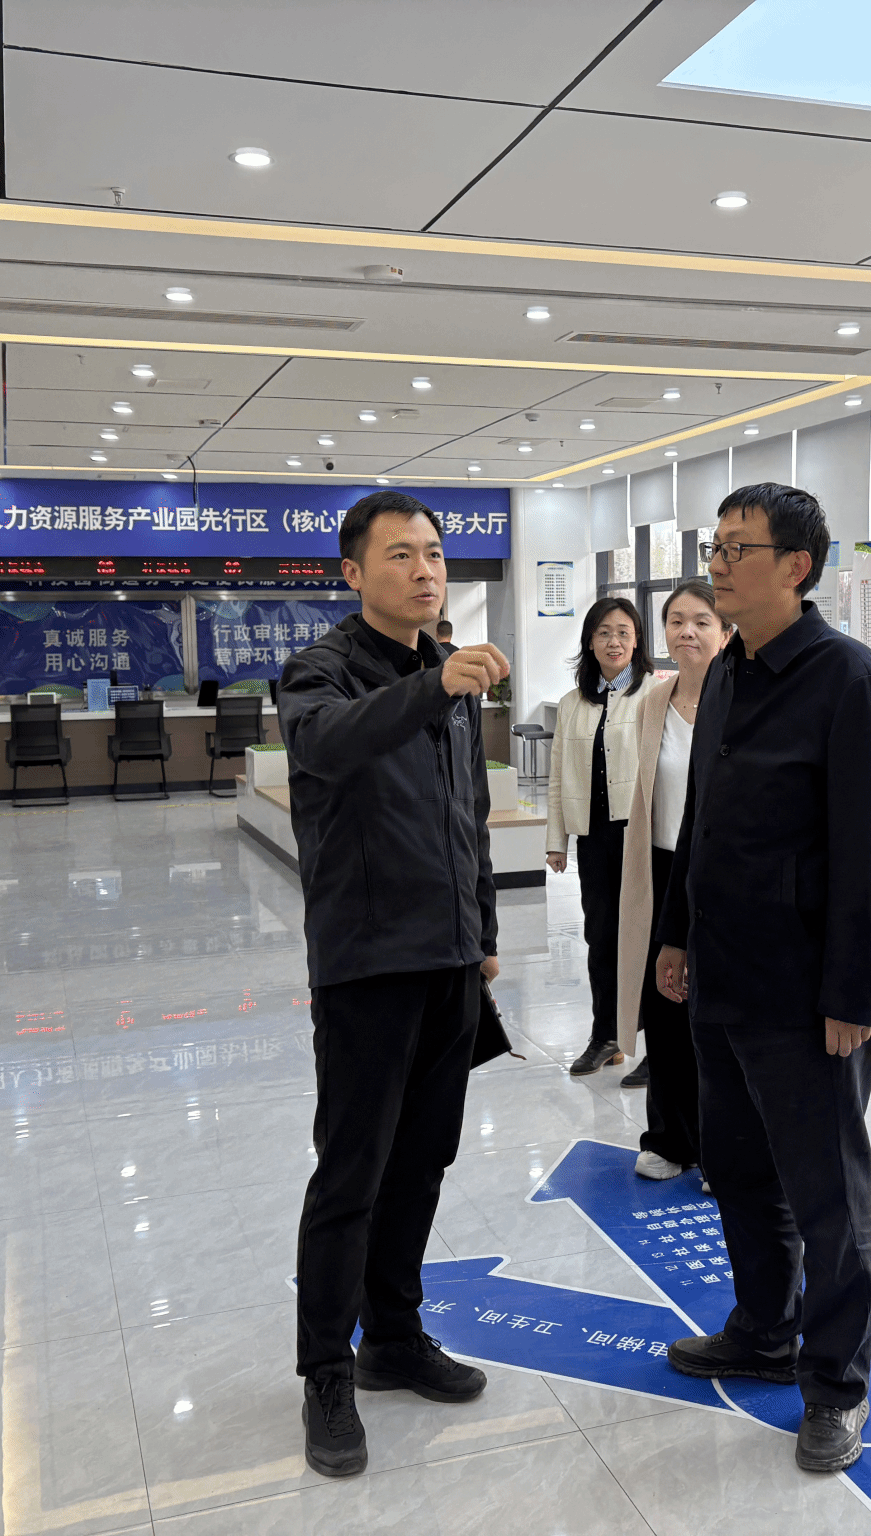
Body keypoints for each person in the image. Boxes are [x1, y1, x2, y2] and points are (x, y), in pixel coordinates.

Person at [655, 483, 871, 1475]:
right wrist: (675, 936)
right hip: (723, 977)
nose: (717, 565)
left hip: (806, 998)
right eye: (714, 548)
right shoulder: (728, 668)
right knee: (740, 1172)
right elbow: (701, 821)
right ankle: (763, 1330)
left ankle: (836, 1384)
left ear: (795, 567)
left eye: (736, 549)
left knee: (826, 1195)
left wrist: (852, 993)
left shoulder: (846, 678)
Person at [278, 490, 511, 1479]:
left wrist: (483, 931)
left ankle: (394, 1338)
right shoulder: (320, 671)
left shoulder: (443, 675)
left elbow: (466, 813)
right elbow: (326, 745)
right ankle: (326, 1373)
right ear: (353, 572)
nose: (424, 570)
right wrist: (435, 687)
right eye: (401, 554)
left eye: (434, 554)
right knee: (352, 1175)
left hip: (448, 962)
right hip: (367, 966)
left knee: (421, 1163)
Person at [616, 579, 728, 1179]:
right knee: (665, 1008)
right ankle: (669, 1138)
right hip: (661, 869)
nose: (687, 632)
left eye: (702, 621)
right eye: (676, 621)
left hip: (721, 874)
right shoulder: (652, 703)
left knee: (717, 1014)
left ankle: (722, 1150)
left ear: (725, 632)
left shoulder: (741, 699)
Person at [546, 596, 647, 1077]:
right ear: (590, 641)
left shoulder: (654, 695)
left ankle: (659, 1046)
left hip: (642, 836)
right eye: (604, 632)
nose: (614, 641)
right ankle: (607, 1036)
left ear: (638, 640)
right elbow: (557, 776)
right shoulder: (573, 703)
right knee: (601, 937)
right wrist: (556, 839)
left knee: (649, 938)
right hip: (595, 838)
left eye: (624, 632)